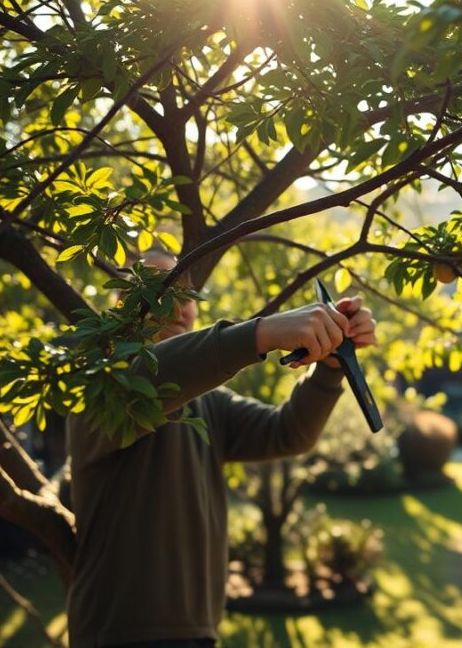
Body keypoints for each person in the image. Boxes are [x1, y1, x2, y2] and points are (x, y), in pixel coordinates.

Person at [65, 251, 377, 648]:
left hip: (198, 634)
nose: (179, 306)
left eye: (188, 294)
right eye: (159, 291)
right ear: (123, 304)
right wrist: (261, 333)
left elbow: (287, 432)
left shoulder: (208, 403)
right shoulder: (100, 388)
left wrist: (330, 367)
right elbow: (156, 377)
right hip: (117, 635)